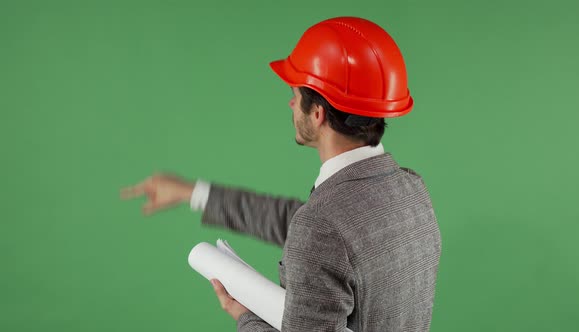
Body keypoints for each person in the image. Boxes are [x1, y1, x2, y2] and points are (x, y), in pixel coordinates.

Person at [120, 17, 442, 332]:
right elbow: (307, 227)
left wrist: (245, 317)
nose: (290, 103)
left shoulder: (322, 226)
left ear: (317, 114)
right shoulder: (412, 190)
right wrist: (191, 192)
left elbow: (318, 233)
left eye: (296, 94)